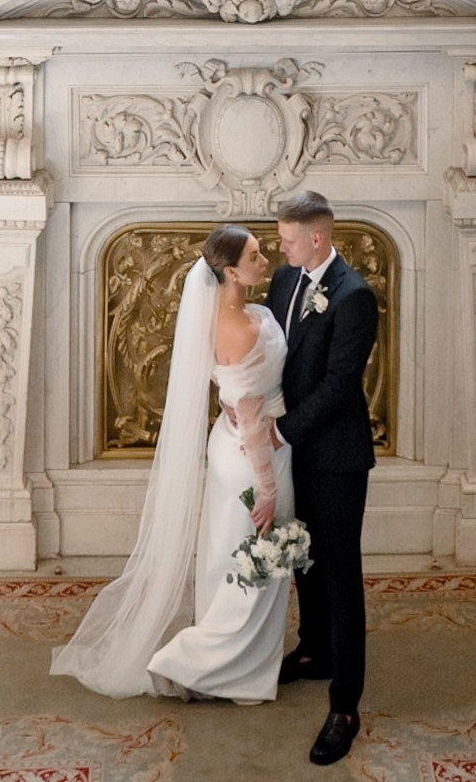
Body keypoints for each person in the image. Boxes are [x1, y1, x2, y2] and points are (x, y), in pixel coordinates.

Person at [50, 223, 294, 702]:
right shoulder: (240, 330)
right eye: (255, 256)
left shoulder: (247, 314)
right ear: (230, 271)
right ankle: (193, 664)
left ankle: (238, 668)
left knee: (233, 556)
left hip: (234, 445)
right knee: (257, 565)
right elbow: (248, 414)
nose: (265, 260)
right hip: (254, 456)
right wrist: (266, 489)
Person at [265, 188, 376, 765]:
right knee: (301, 554)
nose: (279, 248)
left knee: (340, 571)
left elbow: (338, 385)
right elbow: (275, 356)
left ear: (318, 238)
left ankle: (345, 702)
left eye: (287, 239)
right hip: (293, 452)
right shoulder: (285, 280)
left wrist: (281, 430)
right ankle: (313, 650)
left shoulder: (355, 297)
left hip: (335, 454)